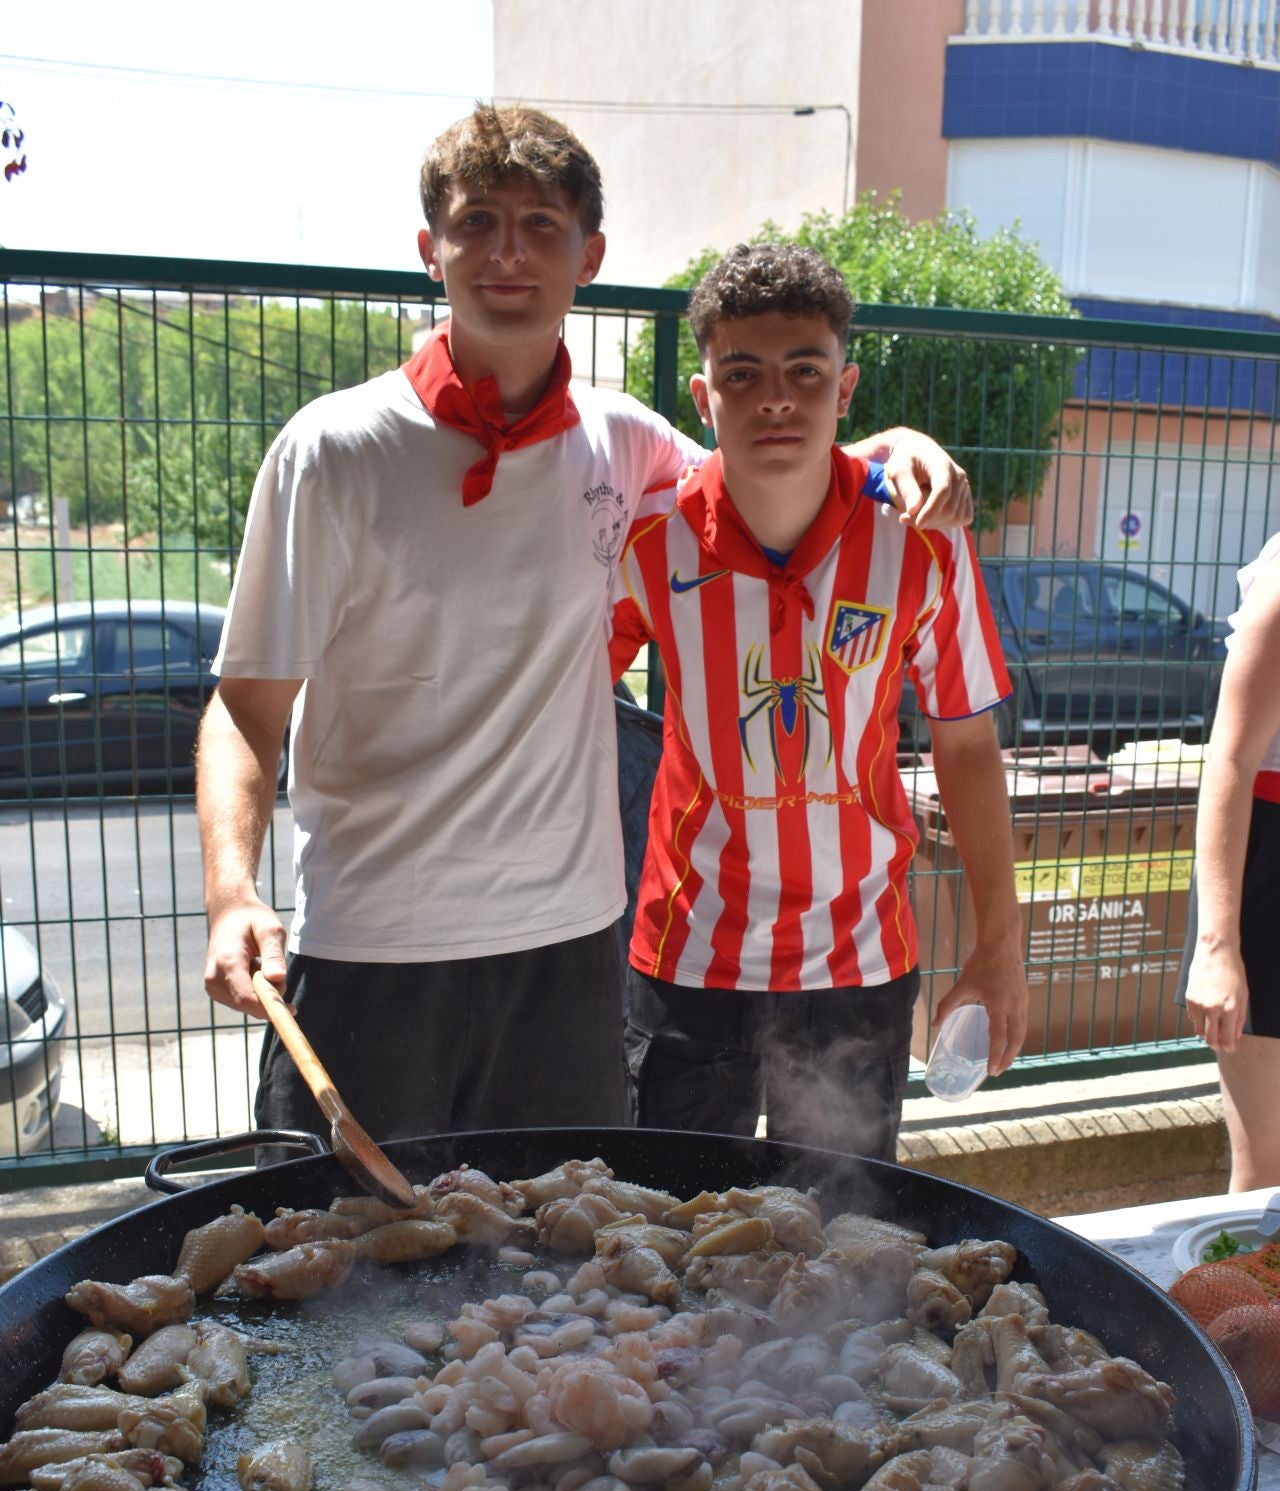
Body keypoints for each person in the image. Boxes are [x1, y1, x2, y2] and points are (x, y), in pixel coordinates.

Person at [197, 105, 974, 1147]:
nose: (506, 251)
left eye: (539, 225)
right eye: (475, 223)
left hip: (568, 955)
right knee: (342, 1265)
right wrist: (231, 892)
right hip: (369, 946)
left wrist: (887, 446)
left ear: (588, 255)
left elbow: (770, 455)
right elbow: (245, 707)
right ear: (429, 251)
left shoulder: (625, 445)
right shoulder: (332, 450)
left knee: (560, 1274)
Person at [610, 243, 1028, 1157]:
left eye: (805, 371)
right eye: (743, 373)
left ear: (846, 390)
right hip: (689, 959)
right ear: (702, 393)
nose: (775, 399)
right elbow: (553, 703)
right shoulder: (645, 541)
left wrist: (999, 947)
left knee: (843, 1254)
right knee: (669, 1244)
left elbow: (965, 741)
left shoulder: (923, 539)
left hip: (861, 964)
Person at [1180, 533, 1280, 1192]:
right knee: (1268, 1172)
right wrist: (1218, 946)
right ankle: (1243, 1300)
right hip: (1268, 863)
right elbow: (1232, 758)